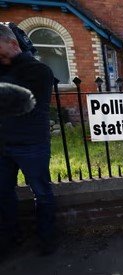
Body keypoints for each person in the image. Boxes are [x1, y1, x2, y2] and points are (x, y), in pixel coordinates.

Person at [0, 24, 57, 256]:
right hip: (3, 145)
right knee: (3, 193)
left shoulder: (38, 70)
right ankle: (11, 237)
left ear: (13, 43)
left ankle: (46, 239)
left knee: (41, 193)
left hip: (32, 145)